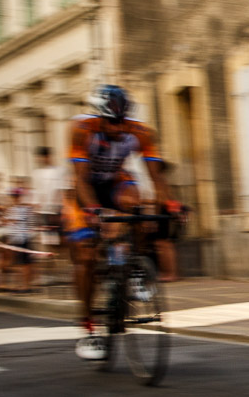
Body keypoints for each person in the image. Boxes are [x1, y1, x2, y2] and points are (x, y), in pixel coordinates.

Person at [62, 84, 178, 361]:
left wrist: (172, 204)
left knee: (137, 203)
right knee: (86, 254)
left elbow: (157, 176)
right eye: (112, 122)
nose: (118, 128)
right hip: (84, 188)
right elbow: (80, 178)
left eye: (122, 121)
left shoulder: (141, 132)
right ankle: (89, 327)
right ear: (98, 116)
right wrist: (92, 210)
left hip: (115, 181)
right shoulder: (81, 129)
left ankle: (134, 270)